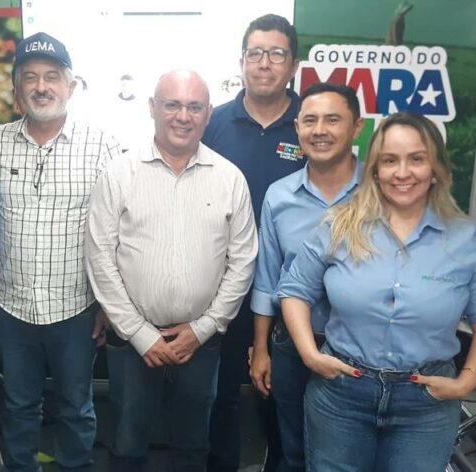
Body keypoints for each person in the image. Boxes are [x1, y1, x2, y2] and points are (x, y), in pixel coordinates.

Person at [277, 113, 476, 471]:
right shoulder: (339, 226)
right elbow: (294, 289)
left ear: (435, 168)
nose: (402, 173)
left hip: (426, 404)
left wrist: (467, 381)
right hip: (341, 396)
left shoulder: (466, 242)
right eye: (389, 161)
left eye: (416, 159)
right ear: (375, 170)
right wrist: (309, 354)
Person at [86, 70, 258, 472]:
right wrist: (141, 334)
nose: (183, 116)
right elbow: (99, 258)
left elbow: (243, 261)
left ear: (208, 114)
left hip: (200, 343)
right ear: (152, 107)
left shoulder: (230, 178)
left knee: (193, 448)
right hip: (131, 342)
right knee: (127, 445)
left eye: (194, 107)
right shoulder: (119, 173)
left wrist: (204, 328)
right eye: (172, 105)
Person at [0, 32, 120, 472]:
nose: (41, 86)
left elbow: (118, 231)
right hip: (12, 307)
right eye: (30, 77)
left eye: (52, 77)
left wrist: (107, 304)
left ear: (71, 86)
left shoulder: (103, 146)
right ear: (16, 89)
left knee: (76, 406)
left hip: (76, 309)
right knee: (19, 405)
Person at [201, 13, 304, 472]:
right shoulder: (214, 123)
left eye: (277, 53)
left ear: (293, 65)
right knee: (220, 396)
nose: (265, 63)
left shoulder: (311, 122)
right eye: (255, 53)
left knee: (284, 398)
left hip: (292, 293)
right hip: (223, 288)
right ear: (241, 61)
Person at [250, 82, 364, 472]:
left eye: (333, 120)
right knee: (294, 452)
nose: (320, 131)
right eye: (310, 121)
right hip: (291, 350)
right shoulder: (279, 195)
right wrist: (261, 349)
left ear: (356, 127)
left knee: (350, 458)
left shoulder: (381, 192)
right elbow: (267, 278)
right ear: (297, 128)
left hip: (362, 350)